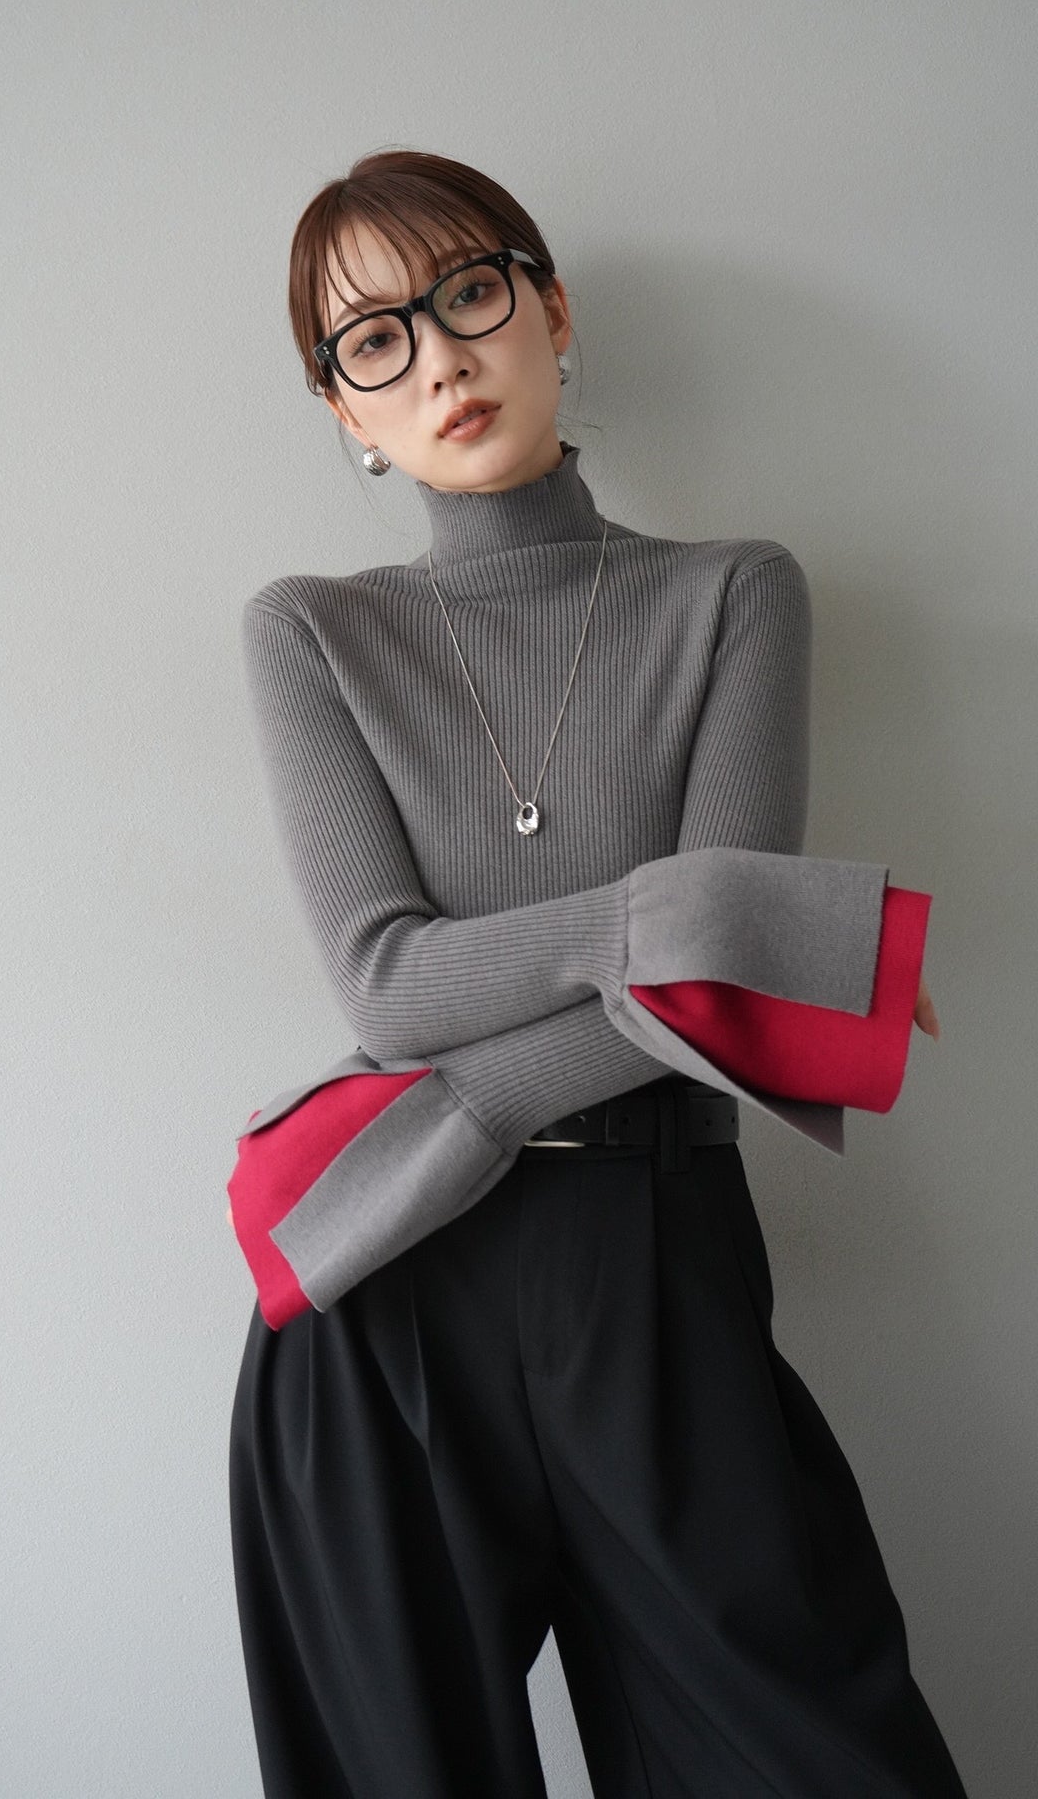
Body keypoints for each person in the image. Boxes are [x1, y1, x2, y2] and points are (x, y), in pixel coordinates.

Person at [226, 148, 966, 1799]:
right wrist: (698, 920)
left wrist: (450, 1114)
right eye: (374, 341)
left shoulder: (733, 596)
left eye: (469, 294)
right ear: (345, 409)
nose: (439, 358)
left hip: (646, 1265)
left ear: (551, 309)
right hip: (387, 1316)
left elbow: (710, 1014)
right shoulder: (312, 633)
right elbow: (388, 988)